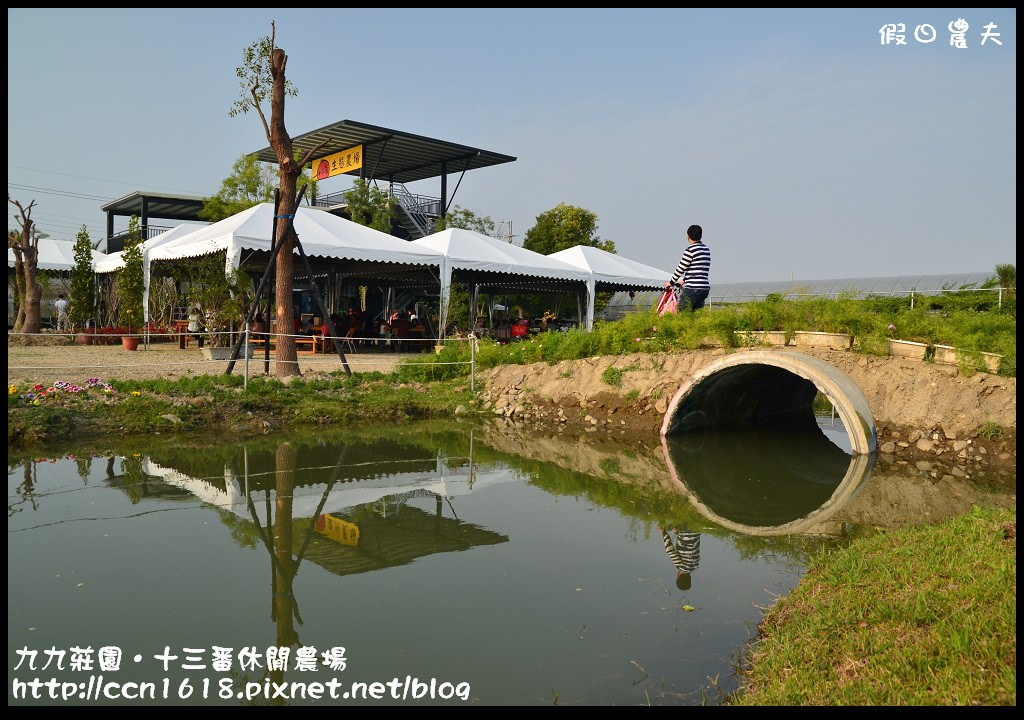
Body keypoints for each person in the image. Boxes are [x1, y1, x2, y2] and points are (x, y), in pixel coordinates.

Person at [665, 224, 711, 311]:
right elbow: (699, 268)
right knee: (695, 316)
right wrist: (684, 280)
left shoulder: (690, 250)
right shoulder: (706, 250)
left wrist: (671, 282)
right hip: (704, 288)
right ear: (701, 236)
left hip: (693, 288)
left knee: (683, 313)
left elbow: (681, 268)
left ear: (688, 236)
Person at [659, 524, 701, 591]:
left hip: (697, 531)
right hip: (684, 530)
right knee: (669, 525)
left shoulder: (695, 565)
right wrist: (664, 532)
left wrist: (676, 533)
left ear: (690, 578)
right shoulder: (680, 567)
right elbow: (669, 550)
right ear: (678, 577)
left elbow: (690, 545)